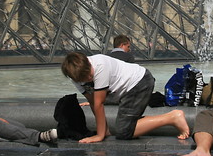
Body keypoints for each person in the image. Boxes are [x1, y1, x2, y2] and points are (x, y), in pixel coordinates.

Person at [61, 52, 190, 142]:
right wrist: (105, 131)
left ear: (88, 62)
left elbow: (99, 104)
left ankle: (172, 117)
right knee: (125, 128)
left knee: (124, 132)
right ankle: (169, 118)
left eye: (89, 73)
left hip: (139, 83)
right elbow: (93, 102)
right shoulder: (76, 77)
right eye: (84, 78)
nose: (89, 78)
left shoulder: (100, 66)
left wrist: (100, 136)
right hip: (125, 90)